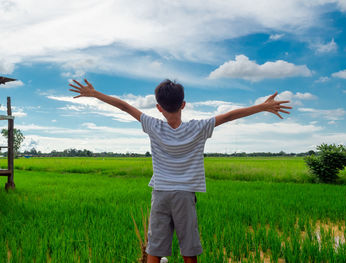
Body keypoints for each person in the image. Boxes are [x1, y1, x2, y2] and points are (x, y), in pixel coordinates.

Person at [69, 79, 292, 263]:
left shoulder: (152, 125)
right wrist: (262, 107)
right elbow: (230, 116)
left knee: (154, 248)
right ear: (183, 104)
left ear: (158, 107)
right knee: (189, 247)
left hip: (161, 193)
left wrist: (95, 93)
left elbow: (125, 107)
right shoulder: (198, 128)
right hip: (185, 194)